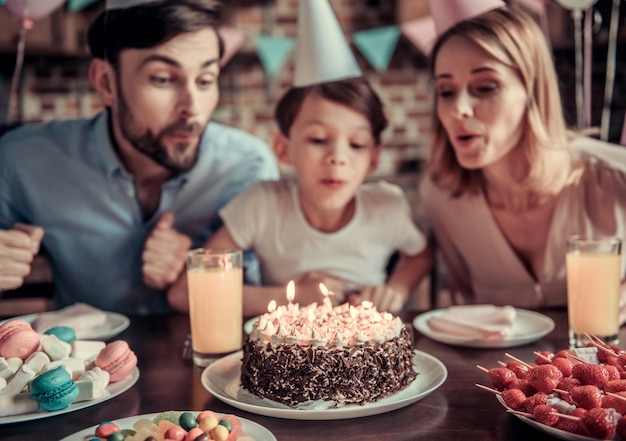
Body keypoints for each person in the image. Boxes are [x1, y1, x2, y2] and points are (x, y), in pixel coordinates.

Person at [0, 0, 278, 314]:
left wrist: (202, 271)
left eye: (205, 80)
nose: (193, 107)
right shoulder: (23, 158)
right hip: (84, 359)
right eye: (162, 79)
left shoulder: (247, 166)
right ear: (106, 83)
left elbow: (269, 293)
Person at [419, 3, 626, 320]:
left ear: (532, 89)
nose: (458, 108)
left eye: (485, 87)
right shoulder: (441, 195)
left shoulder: (616, 177)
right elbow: (466, 306)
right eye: (446, 91)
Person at [168, 77, 432, 316]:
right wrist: (289, 297)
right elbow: (184, 293)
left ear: (373, 158)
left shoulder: (387, 206)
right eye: (318, 139)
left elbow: (420, 255)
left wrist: (396, 289)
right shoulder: (261, 205)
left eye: (357, 144)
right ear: (283, 149)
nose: (338, 157)